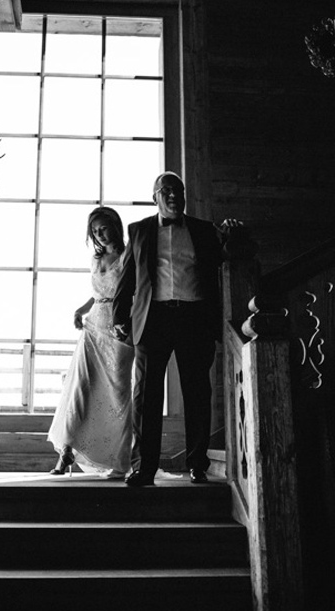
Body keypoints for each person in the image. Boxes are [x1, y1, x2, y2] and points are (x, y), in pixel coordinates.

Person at [111, 172, 234, 486]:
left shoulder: (204, 231)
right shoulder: (139, 231)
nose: (174, 196)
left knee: (197, 393)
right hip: (153, 320)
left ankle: (197, 464)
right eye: (166, 191)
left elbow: (225, 260)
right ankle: (144, 468)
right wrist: (118, 317)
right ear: (155, 197)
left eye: (178, 190)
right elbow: (127, 277)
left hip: (195, 318)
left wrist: (232, 234)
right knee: (146, 397)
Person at [47, 206, 135, 478]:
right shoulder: (95, 260)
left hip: (120, 330)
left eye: (103, 229)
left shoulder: (129, 256)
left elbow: (135, 292)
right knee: (80, 389)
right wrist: (80, 310)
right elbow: (98, 295)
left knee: (119, 393)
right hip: (93, 326)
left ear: (115, 226)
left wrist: (129, 323)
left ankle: (119, 460)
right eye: (94, 232)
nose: (99, 235)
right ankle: (66, 453)